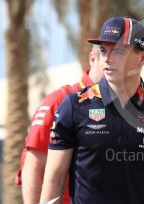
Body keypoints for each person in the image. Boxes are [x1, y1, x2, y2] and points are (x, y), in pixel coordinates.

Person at [40, 16, 144, 204]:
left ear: (143, 58)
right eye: (104, 50)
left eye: (118, 51)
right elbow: (54, 179)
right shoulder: (74, 105)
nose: (107, 58)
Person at [18, 44, 104, 204]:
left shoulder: (124, 108)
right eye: (107, 59)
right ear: (93, 58)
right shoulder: (60, 100)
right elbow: (33, 165)